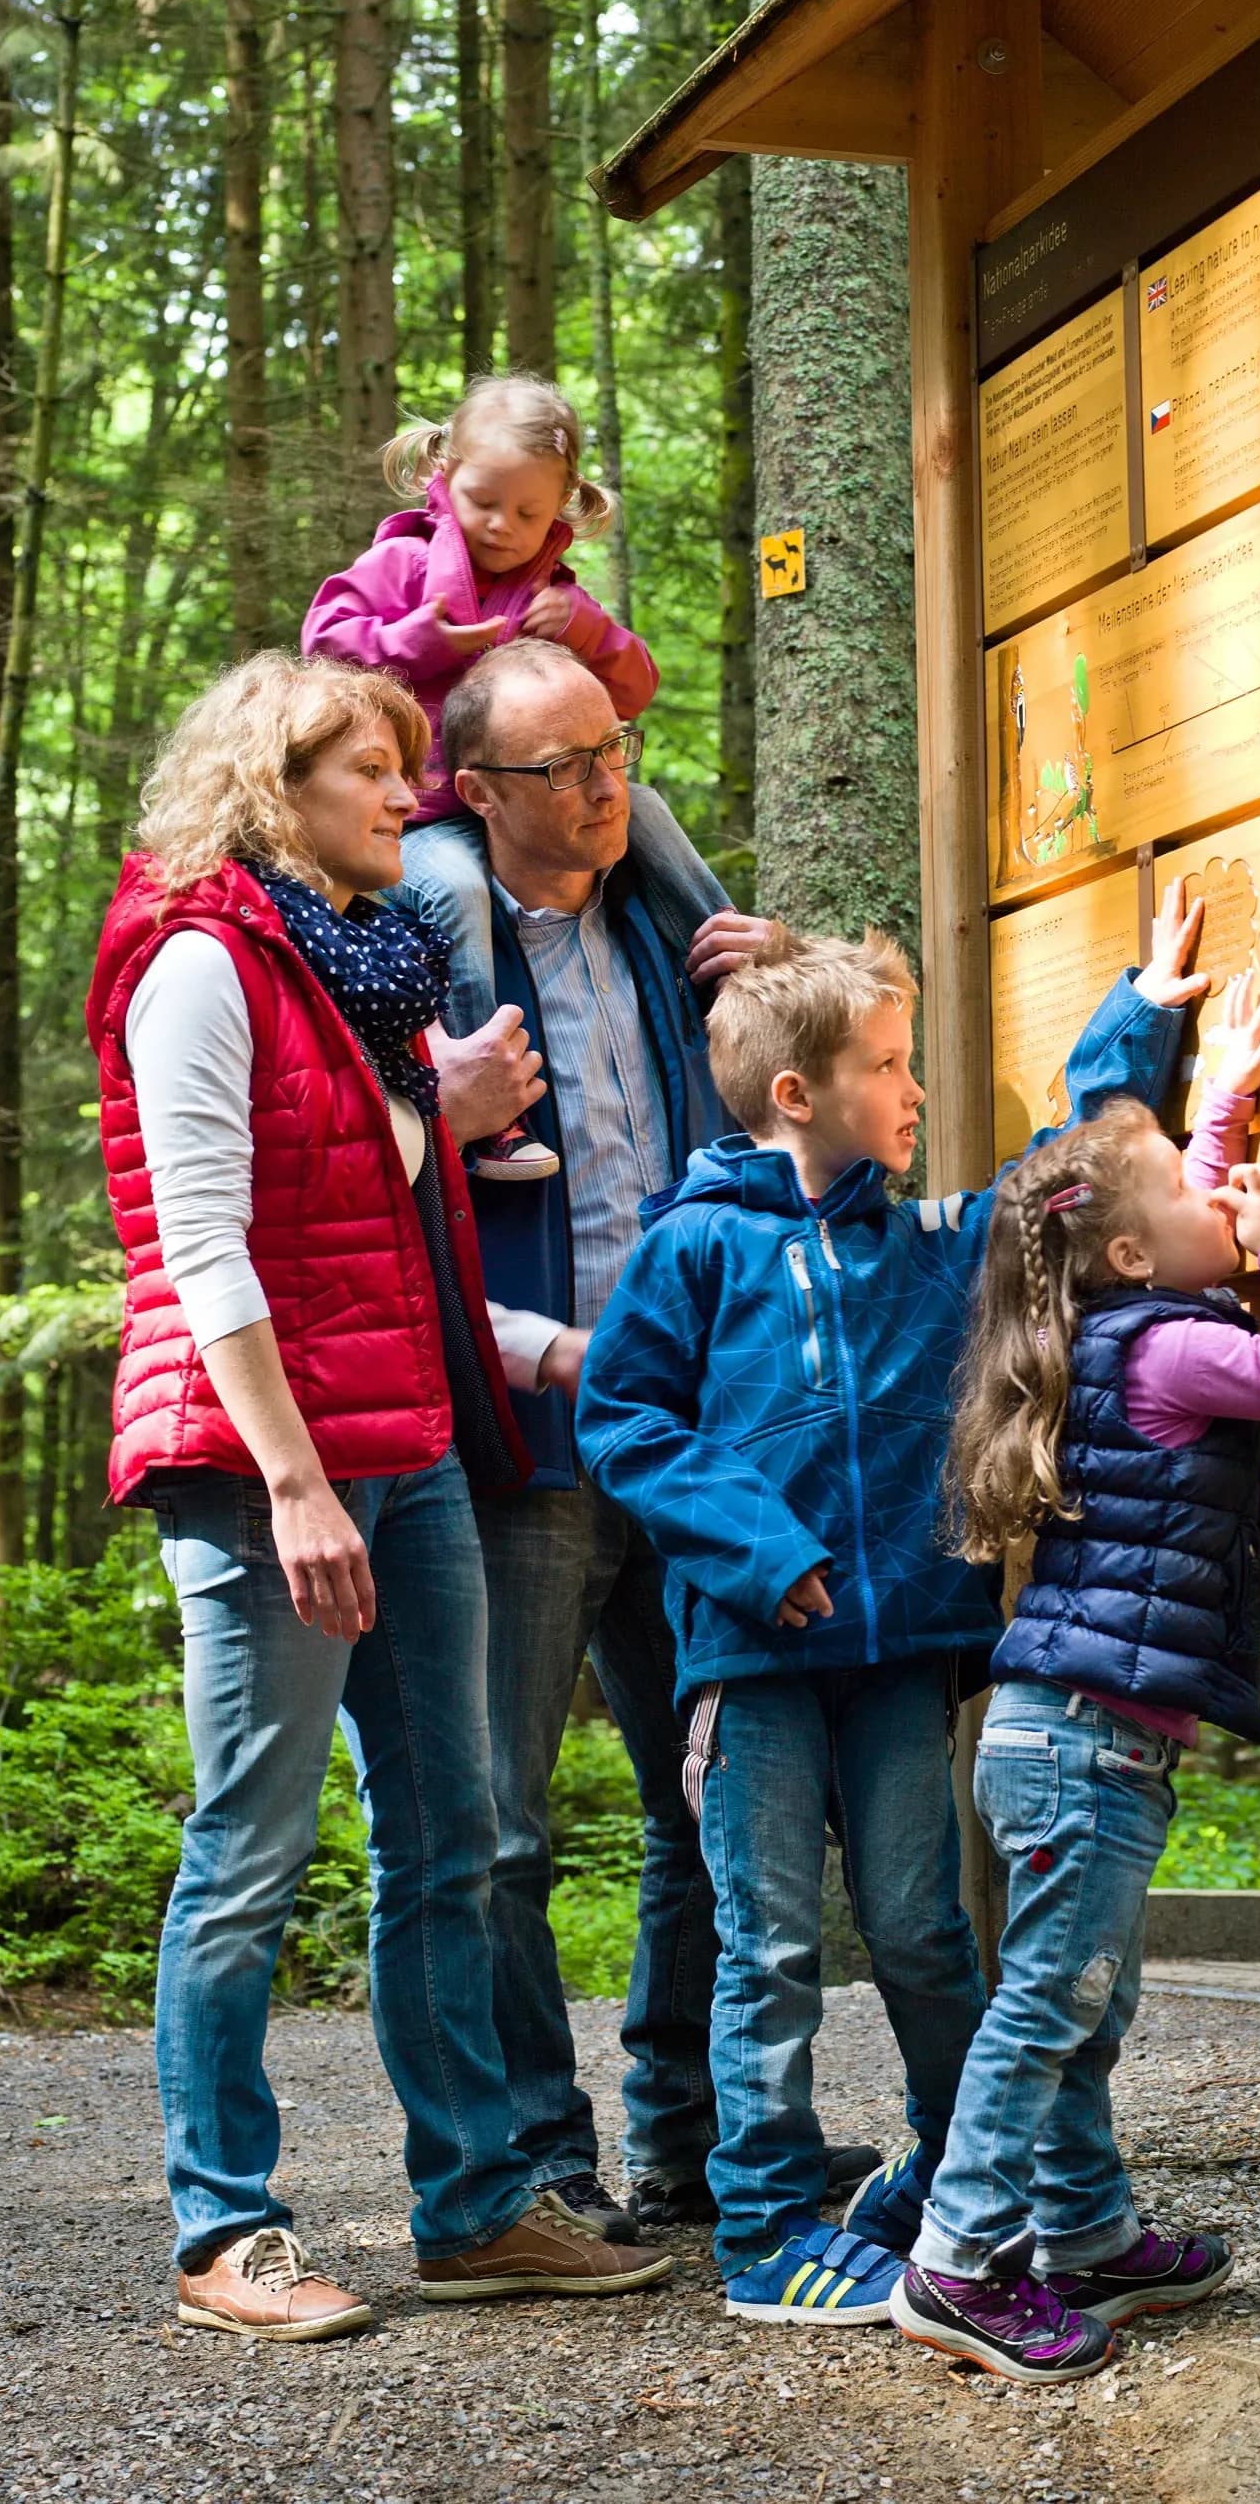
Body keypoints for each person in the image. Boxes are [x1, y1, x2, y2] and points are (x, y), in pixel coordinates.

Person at [88, 651, 670, 2341]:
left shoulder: (356, 976)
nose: (401, 799)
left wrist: (530, 1353)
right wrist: (295, 1482)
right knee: (251, 1852)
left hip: (408, 1447)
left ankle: (480, 2203)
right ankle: (226, 2231)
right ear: (275, 789)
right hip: (264, 1467)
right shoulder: (199, 964)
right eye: (366, 771)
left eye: (408, 768)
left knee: (451, 1837)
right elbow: (203, 1254)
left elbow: (386, 1257)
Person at [573, 905, 1209, 2326]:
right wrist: (758, 1547)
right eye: (891, 1063)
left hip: (904, 1652)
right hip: (755, 1657)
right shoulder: (693, 1250)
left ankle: (953, 2167)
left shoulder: (925, 1241)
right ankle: (766, 2225)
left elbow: (1068, 1180)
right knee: (774, 1941)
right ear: (800, 1094)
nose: (918, 1090)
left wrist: (1144, 1015)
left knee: (925, 1928)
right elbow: (622, 1420)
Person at [393, 637, 880, 2241]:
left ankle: (693, 2136)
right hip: (529, 1443)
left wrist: (787, 961)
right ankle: (541, 2153)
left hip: (695, 1439)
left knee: (711, 1801)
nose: (605, 785)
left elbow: (780, 1109)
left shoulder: (677, 939)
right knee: (503, 1820)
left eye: (613, 752)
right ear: (475, 796)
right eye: (562, 767)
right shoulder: (433, 970)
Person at [889, 973, 1260, 2383]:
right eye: (1201, 1199)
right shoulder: (1178, 1350)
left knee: (1083, 1995)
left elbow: (1171, 1209)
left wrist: (1223, 1107)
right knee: (1051, 2001)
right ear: (1145, 1256)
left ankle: (1084, 2227)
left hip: (1064, 1737)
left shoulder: (1110, 1317)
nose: (1225, 1200)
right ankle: (961, 2262)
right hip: (1088, 1751)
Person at [303, 372, 658, 1178]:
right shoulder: (405, 560)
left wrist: (591, 632)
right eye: (484, 500)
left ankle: (752, 982)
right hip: (425, 813)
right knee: (458, 894)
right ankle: (479, 1098)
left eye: (530, 513)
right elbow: (321, 645)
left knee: (653, 823)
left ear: (562, 508)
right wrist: (416, 643)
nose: (504, 526)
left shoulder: (557, 594)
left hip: (533, 805)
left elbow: (635, 687)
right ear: (444, 475)